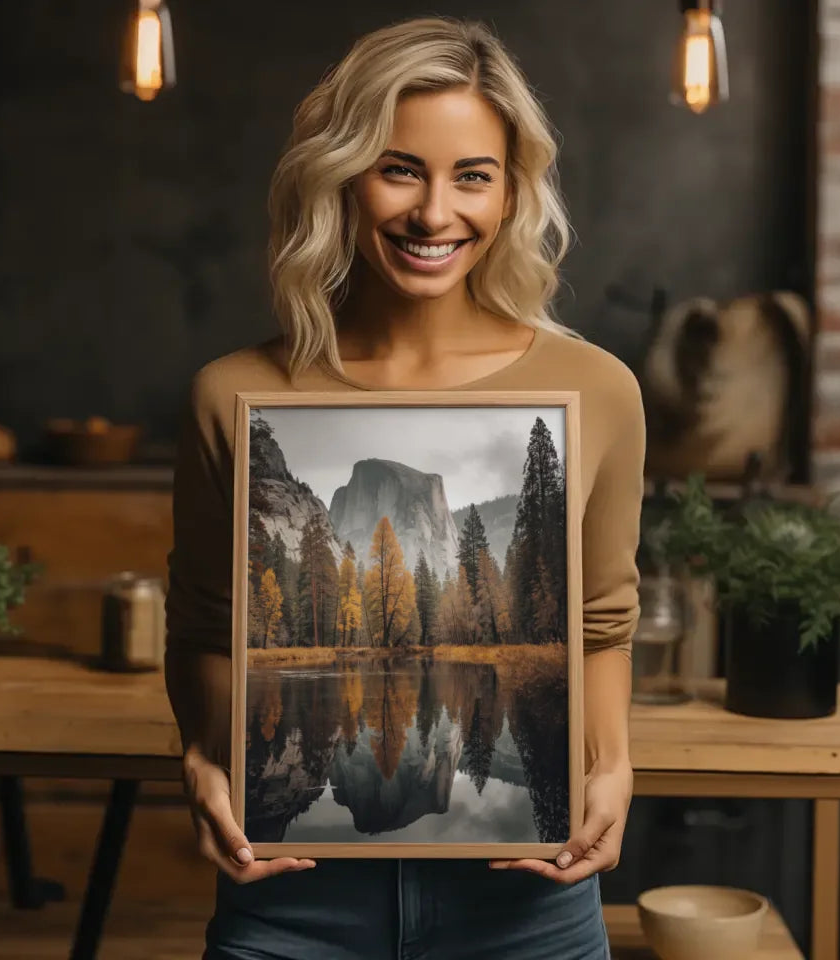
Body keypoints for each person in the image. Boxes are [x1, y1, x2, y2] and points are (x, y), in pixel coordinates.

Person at [164, 15, 644, 960]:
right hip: (291, 906)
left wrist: (615, 766)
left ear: (511, 195)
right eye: (399, 169)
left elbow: (601, 624)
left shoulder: (598, 390)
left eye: (472, 175)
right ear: (341, 177)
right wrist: (199, 755)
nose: (435, 214)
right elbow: (206, 625)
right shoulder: (234, 394)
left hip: (527, 910)